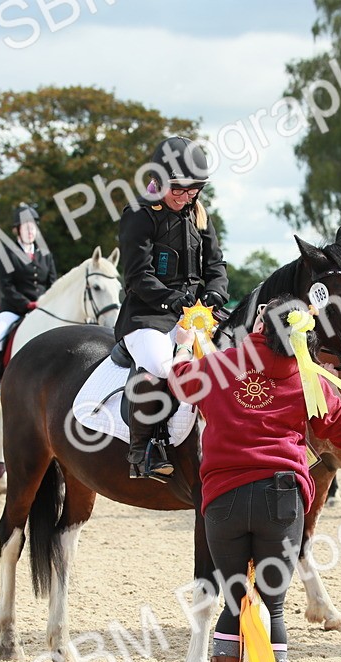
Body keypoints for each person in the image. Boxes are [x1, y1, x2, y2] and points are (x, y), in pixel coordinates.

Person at [170, 295, 341, 662]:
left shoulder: (226, 363)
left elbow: (179, 382)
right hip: (281, 499)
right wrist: (322, 381)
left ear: (259, 321)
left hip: (223, 499)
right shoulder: (307, 377)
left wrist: (185, 343)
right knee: (271, 604)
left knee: (236, 600)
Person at [113, 135, 229, 480]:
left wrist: (216, 293)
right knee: (159, 364)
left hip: (198, 315)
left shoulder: (199, 215)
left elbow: (217, 266)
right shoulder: (140, 215)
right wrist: (172, 299)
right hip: (148, 314)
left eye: (193, 190)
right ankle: (144, 448)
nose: (185, 197)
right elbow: (137, 275)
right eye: (178, 190)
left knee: (239, 354)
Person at [0, 203, 57, 405]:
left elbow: (52, 283)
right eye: (26, 227)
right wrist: (26, 304)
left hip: (42, 309)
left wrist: (45, 302)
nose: (31, 231)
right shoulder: (8, 253)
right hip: (14, 308)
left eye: (33, 227)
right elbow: (6, 286)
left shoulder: (45, 254)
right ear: (17, 230)